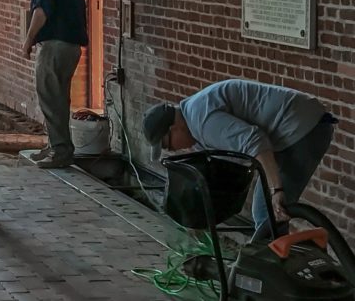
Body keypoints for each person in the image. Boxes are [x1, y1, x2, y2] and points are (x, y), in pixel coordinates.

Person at [143, 79, 337, 238]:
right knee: (266, 212)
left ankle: (270, 273)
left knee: (267, 210)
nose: (174, 150)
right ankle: (281, 267)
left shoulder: (203, 121)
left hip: (304, 128)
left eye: (168, 145)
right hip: (289, 131)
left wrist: (277, 190)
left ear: (173, 128)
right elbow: (231, 162)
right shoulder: (194, 124)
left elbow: (255, 141)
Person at [22, 0, 89, 169]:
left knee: (50, 96)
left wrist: (29, 39)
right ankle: (55, 145)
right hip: (71, 44)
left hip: (56, 44)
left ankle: (60, 150)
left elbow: (42, 9)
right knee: (58, 97)